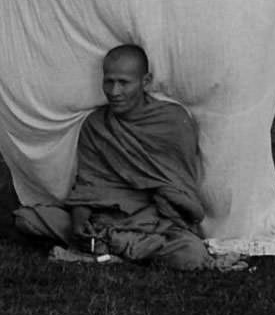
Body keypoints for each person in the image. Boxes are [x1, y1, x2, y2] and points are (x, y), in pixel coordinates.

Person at [16, 44, 243, 271]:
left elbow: (181, 188)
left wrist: (167, 199)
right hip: (104, 218)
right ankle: (109, 249)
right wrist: (79, 224)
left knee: (190, 255)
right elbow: (88, 186)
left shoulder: (173, 121)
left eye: (124, 83)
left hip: (155, 223)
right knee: (27, 219)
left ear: (145, 82)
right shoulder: (96, 125)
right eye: (109, 81)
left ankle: (101, 252)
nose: (114, 92)